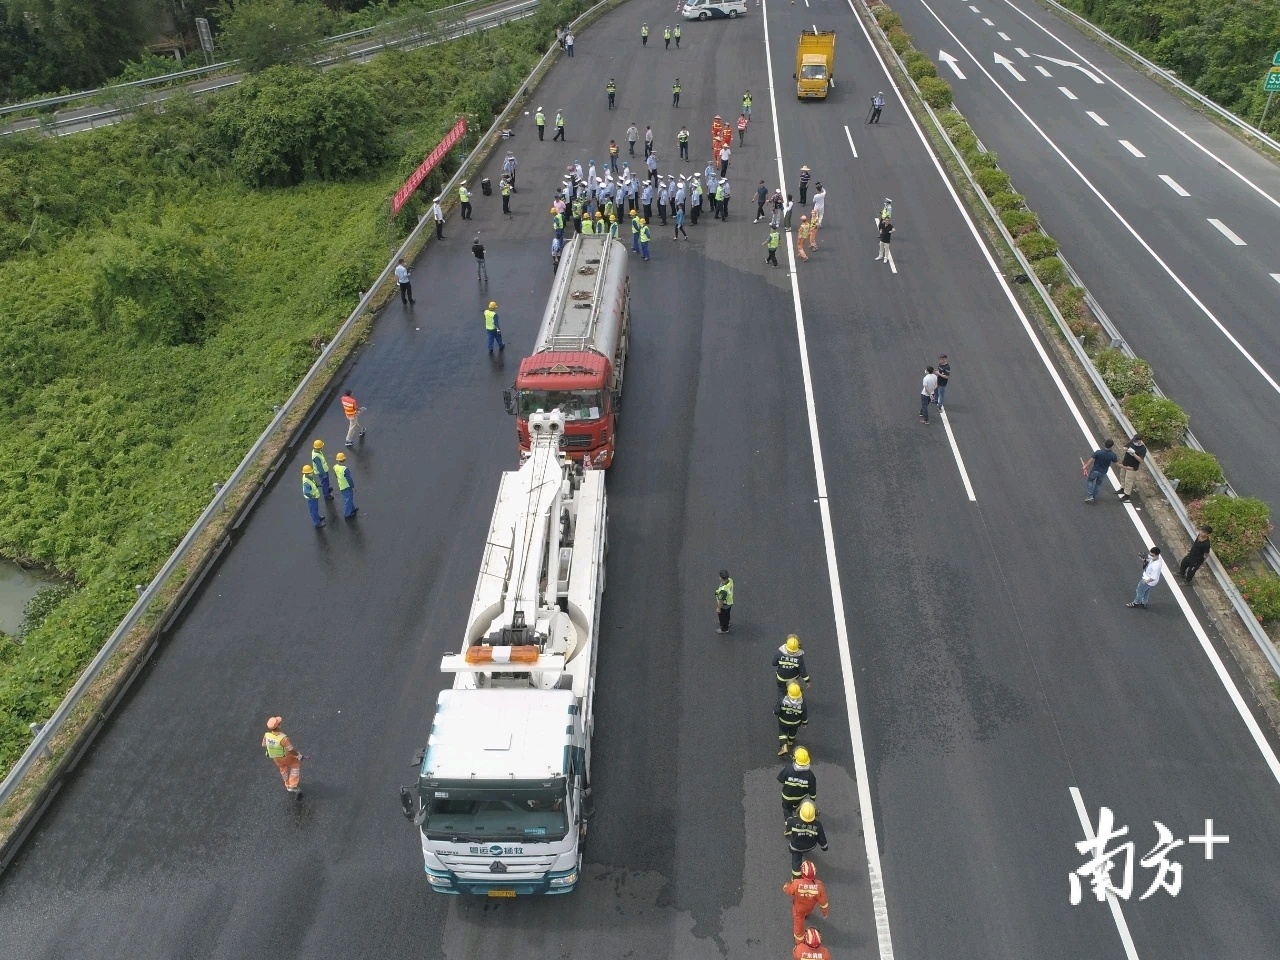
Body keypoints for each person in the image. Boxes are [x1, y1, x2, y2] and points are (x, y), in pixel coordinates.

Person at [782, 860, 829, 943]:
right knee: (806, 913)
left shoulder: (797, 883)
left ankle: (799, 941)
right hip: (809, 908)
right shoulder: (819, 886)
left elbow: (789, 890)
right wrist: (825, 912)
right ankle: (806, 915)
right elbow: (823, 902)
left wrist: (785, 886)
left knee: (799, 925)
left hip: (798, 909)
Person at [784, 801, 828, 877]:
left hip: (796, 847)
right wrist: (824, 847)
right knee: (804, 850)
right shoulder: (818, 825)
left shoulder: (792, 821)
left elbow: (788, 826)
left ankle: (796, 877)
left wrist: (788, 832)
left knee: (796, 862)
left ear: (799, 811)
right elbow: (822, 839)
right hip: (810, 846)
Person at [262, 716, 303, 796]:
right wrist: (298, 755)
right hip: (286, 756)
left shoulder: (267, 735)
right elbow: (290, 749)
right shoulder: (283, 738)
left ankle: (287, 784)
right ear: (278, 726)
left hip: (275, 758)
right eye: (279, 723)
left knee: (283, 769)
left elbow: (264, 745)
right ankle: (292, 785)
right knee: (295, 765)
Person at [778, 746, 817, 817]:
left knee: (786, 808)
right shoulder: (810, 775)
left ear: (794, 759)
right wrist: (812, 799)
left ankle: (788, 820)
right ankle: (795, 807)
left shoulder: (788, 769)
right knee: (796, 804)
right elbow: (812, 789)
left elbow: (781, 779)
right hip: (800, 797)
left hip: (787, 796)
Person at [776, 682, 807, 755]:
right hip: (795, 723)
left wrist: (775, 712)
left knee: (782, 732)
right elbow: (804, 715)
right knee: (793, 732)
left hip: (783, 721)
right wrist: (805, 722)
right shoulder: (802, 704)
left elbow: (776, 710)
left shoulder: (782, 701)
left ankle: (784, 746)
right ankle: (790, 742)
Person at [1118, 433, 1147, 503]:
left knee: (1128, 480)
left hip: (1132, 467)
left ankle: (1127, 495)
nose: (1134, 442)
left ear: (1140, 440)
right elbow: (1124, 447)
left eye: (1136, 441)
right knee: (1122, 476)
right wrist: (1126, 449)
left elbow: (1141, 460)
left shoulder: (1143, 449)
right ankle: (1122, 488)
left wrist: (1133, 454)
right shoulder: (1131, 442)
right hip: (1125, 463)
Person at [333, 452, 357, 519]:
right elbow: (349, 479)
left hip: (341, 485)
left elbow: (336, 475)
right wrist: (353, 487)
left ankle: (352, 508)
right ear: (344, 459)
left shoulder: (335, 467)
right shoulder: (345, 469)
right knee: (348, 499)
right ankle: (347, 514)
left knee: (349, 498)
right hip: (347, 486)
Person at [715, 569, 733, 633]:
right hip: (729, 602)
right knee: (727, 614)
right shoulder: (730, 580)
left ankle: (724, 629)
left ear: (721, 578)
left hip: (724, 605)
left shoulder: (723, 591)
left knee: (723, 616)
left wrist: (718, 608)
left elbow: (721, 601)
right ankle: (727, 623)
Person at [809, 184, 825, 249]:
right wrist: (822, 187)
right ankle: (819, 223)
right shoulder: (823, 194)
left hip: (816, 207)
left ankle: (815, 224)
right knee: (821, 215)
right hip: (821, 207)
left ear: (817, 190)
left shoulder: (816, 196)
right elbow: (824, 191)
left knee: (815, 216)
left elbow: (814, 201)